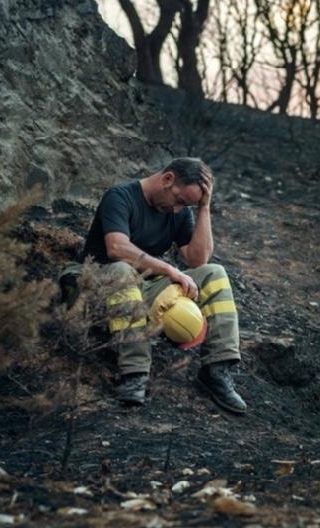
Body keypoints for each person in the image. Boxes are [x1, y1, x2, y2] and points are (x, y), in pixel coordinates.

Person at [61, 158, 247, 413]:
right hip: (92, 281)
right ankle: (134, 374)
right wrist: (169, 269)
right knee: (121, 269)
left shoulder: (178, 211)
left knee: (214, 273)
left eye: (188, 205)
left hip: (140, 284)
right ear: (167, 179)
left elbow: (198, 259)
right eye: (181, 201)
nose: (179, 210)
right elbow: (116, 248)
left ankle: (216, 370)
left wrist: (204, 208)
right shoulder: (120, 196)